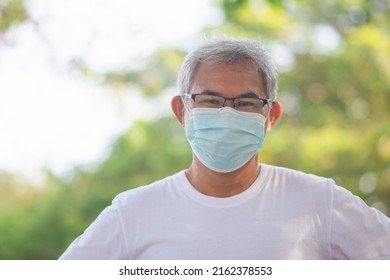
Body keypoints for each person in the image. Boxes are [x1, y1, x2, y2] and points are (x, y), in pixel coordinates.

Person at [59, 37, 390, 260]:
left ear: (270, 115)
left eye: (246, 102)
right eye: (211, 99)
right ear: (181, 110)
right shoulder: (132, 214)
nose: (227, 113)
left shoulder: (318, 202)